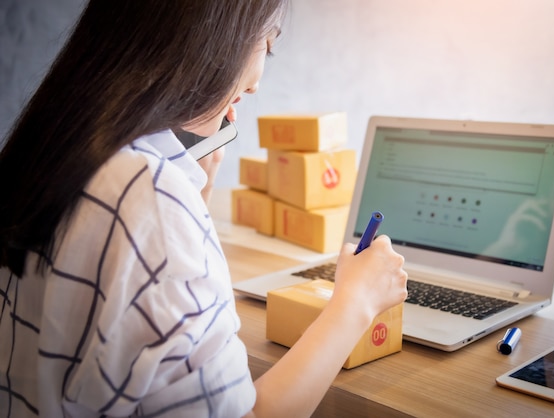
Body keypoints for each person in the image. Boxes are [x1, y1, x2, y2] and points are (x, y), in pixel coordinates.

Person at [0, 1, 408, 417]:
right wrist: (354, 303)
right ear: (206, 36)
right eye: (266, 44)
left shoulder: (52, 151)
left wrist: (195, 203)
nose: (254, 85)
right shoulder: (152, 201)